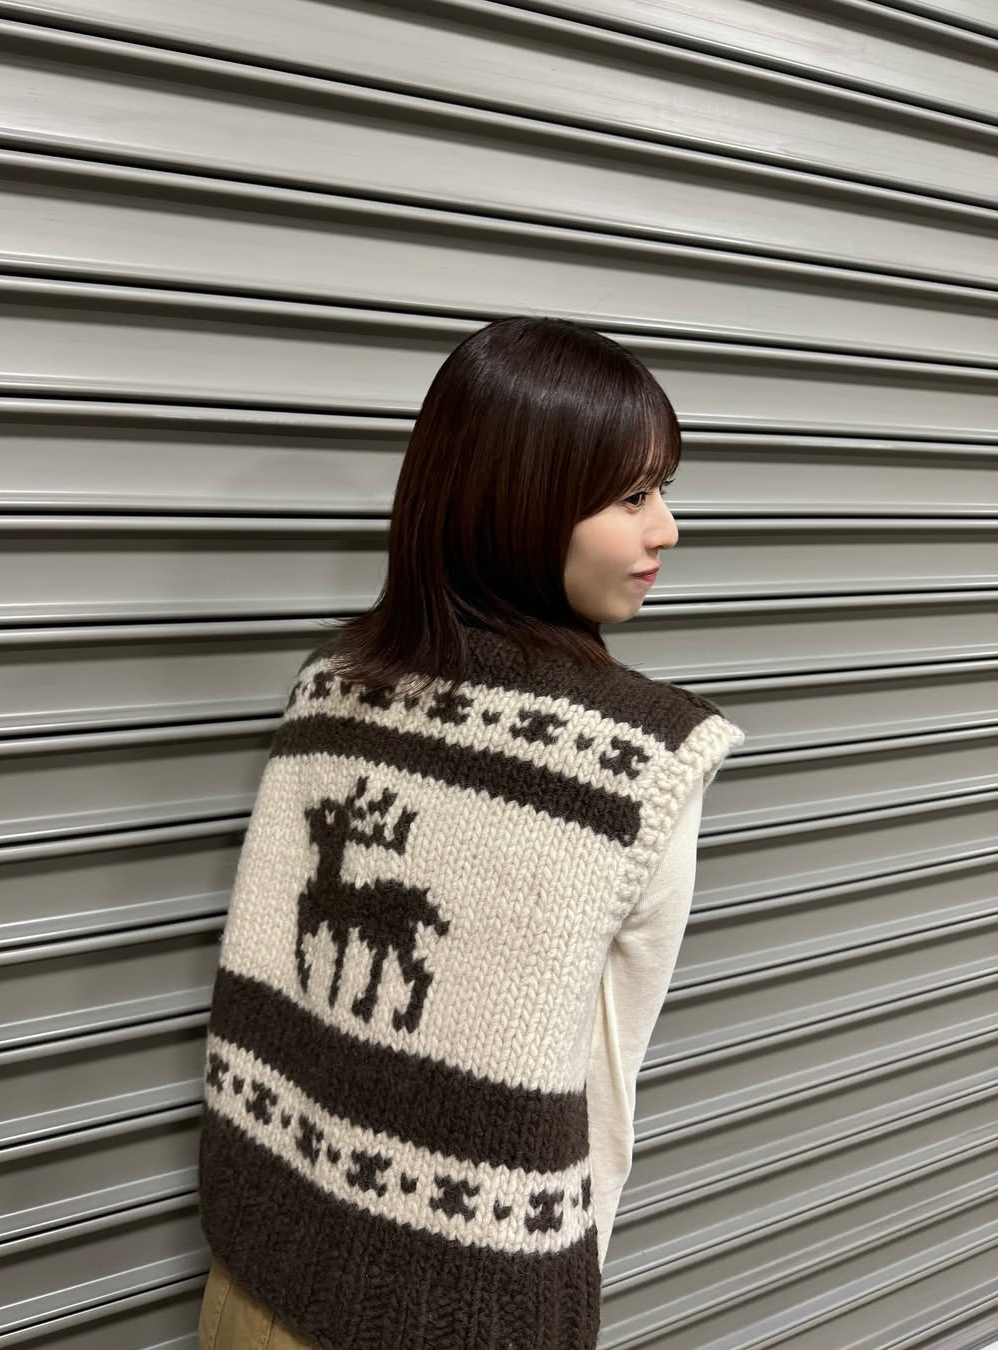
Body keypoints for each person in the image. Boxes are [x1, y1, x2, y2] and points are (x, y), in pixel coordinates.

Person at [196, 315, 746, 1349]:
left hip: (251, 1277)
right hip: (465, 1312)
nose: (666, 530)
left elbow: (267, 985)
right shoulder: (642, 760)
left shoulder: (330, 689)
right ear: (522, 501)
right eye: (632, 497)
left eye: (661, 492)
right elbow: (606, 1090)